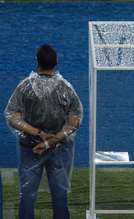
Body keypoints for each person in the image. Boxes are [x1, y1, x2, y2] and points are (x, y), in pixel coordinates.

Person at [4, 44, 83, 219]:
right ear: (56, 63)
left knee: (27, 194)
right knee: (60, 195)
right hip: (59, 148)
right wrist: (51, 141)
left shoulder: (25, 86)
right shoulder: (65, 88)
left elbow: (12, 116)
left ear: (37, 62)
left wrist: (39, 134)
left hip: (30, 148)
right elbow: (74, 121)